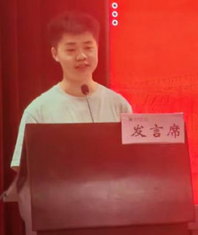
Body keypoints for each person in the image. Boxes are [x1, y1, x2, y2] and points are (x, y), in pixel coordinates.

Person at [10, 12, 132, 170]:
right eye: (71, 50)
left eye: (88, 47)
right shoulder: (38, 110)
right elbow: (22, 170)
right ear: (55, 54)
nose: (81, 56)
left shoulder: (119, 105)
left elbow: (133, 162)